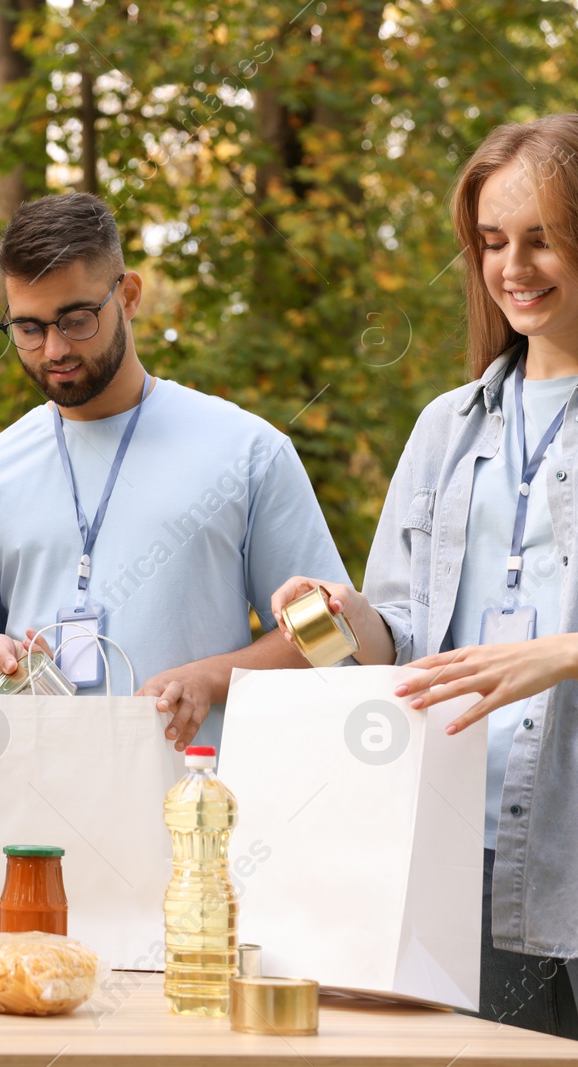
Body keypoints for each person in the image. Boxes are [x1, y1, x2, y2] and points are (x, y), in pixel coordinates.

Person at [272, 115, 578, 1038]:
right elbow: (399, 633)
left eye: (541, 239)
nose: (512, 267)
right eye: (491, 242)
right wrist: (335, 617)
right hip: (448, 845)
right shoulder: (448, 427)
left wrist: (557, 653)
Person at [0, 192, 349, 746]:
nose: (53, 349)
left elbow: (331, 641)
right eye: (28, 329)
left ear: (127, 296)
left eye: (76, 320)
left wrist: (208, 679)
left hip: (199, 813)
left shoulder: (248, 450)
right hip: (34, 816)